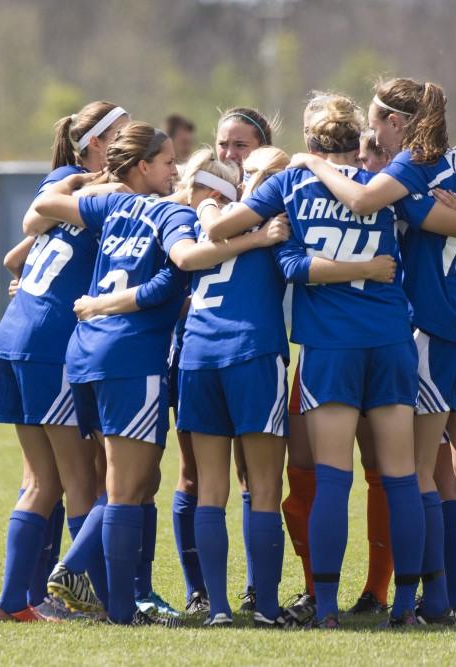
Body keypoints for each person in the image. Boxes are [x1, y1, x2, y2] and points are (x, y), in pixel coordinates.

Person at [28, 121, 288, 626]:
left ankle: (114, 593)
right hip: (132, 355)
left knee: (118, 481)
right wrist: (254, 238)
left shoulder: (117, 204)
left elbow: (41, 209)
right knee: (132, 485)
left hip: (85, 356)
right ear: (144, 166)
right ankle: (102, 593)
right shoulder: (173, 214)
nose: (175, 168)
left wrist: (92, 182)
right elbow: (187, 258)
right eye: (167, 161)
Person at [289, 77, 456, 623]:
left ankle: (432, 600)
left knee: (420, 472)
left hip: (435, 330)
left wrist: (313, 164)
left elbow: (362, 198)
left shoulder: (407, 168)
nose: (369, 132)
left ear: (398, 123)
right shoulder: (455, 163)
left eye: (376, 121)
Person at [207, 92, 425, 629]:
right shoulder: (382, 181)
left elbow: (226, 233)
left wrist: (225, 205)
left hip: (329, 348)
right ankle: (403, 605)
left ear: (307, 142)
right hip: (391, 340)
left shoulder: (291, 182)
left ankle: (324, 607)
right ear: (359, 138)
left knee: (333, 479)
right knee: (400, 477)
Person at [0, 101, 130, 622]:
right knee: (76, 481)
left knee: (41, 481)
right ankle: (73, 596)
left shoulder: (66, 185)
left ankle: (14, 603)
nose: (129, 136)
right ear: (95, 144)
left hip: (12, 338)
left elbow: (16, 254)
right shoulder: (93, 188)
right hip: (51, 343)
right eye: (119, 132)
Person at [170, 106, 279, 615]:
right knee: (259, 486)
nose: (230, 154)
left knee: (215, 486)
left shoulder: (201, 207)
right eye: (224, 145)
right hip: (249, 351)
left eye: (242, 146)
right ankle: (260, 604)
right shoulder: (273, 207)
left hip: (200, 352)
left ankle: (217, 606)